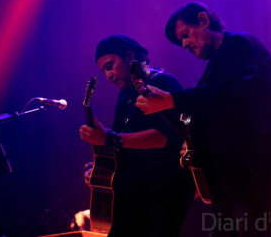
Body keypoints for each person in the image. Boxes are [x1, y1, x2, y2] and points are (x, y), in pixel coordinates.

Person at [136, 2, 271, 237]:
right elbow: (216, 110)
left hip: (257, 161)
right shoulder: (217, 63)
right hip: (233, 168)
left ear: (204, 20)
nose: (185, 44)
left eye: (185, 35)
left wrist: (173, 100)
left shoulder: (238, 43)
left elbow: (231, 91)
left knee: (252, 227)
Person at [79, 35, 195, 237]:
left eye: (110, 65)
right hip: (134, 190)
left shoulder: (162, 82)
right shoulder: (125, 95)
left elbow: (163, 137)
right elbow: (119, 140)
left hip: (163, 190)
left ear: (130, 56)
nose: (108, 75)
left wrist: (109, 138)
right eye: (104, 71)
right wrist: (102, 167)